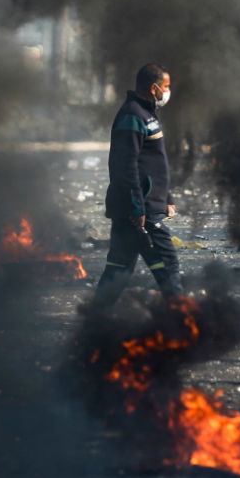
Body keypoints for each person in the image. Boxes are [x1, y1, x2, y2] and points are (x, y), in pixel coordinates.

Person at [89, 63, 183, 315]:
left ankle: (95, 315)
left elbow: (153, 163)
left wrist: (167, 198)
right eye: (166, 86)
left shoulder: (146, 114)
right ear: (153, 88)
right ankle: (183, 319)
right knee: (167, 264)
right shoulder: (132, 115)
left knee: (119, 267)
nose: (168, 91)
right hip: (140, 210)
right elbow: (125, 166)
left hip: (142, 205)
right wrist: (137, 207)